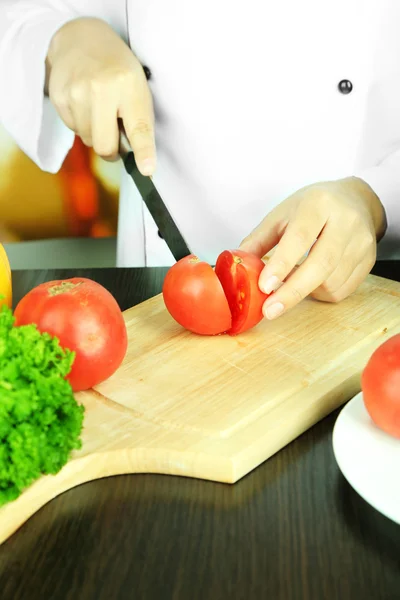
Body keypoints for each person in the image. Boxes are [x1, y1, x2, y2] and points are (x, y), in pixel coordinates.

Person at [0, 1, 399, 322]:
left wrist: (375, 197)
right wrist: (64, 39)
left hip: (371, 292)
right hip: (152, 296)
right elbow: (17, 16)